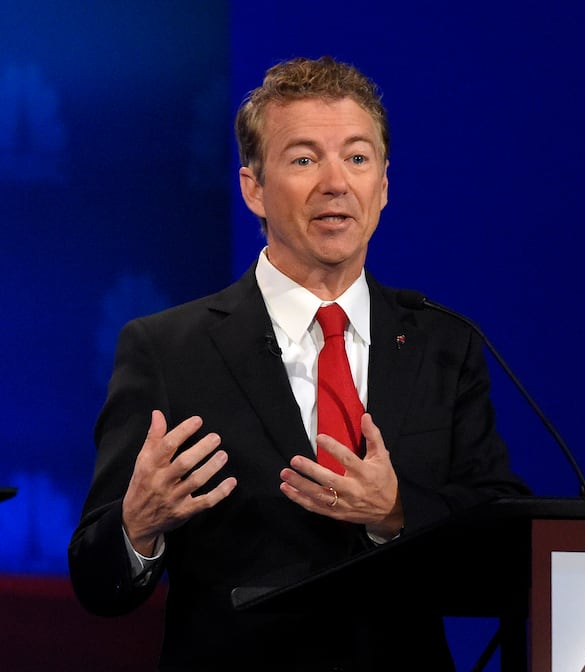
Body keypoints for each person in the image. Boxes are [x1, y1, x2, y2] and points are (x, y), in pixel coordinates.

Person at [68, 56, 531, 671]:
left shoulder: (445, 344)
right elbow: (98, 585)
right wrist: (137, 526)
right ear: (253, 187)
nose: (336, 182)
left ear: (385, 185)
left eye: (358, 158)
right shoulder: (168, 349)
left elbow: (504, 537)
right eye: (305, 159)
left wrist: (396, 512)